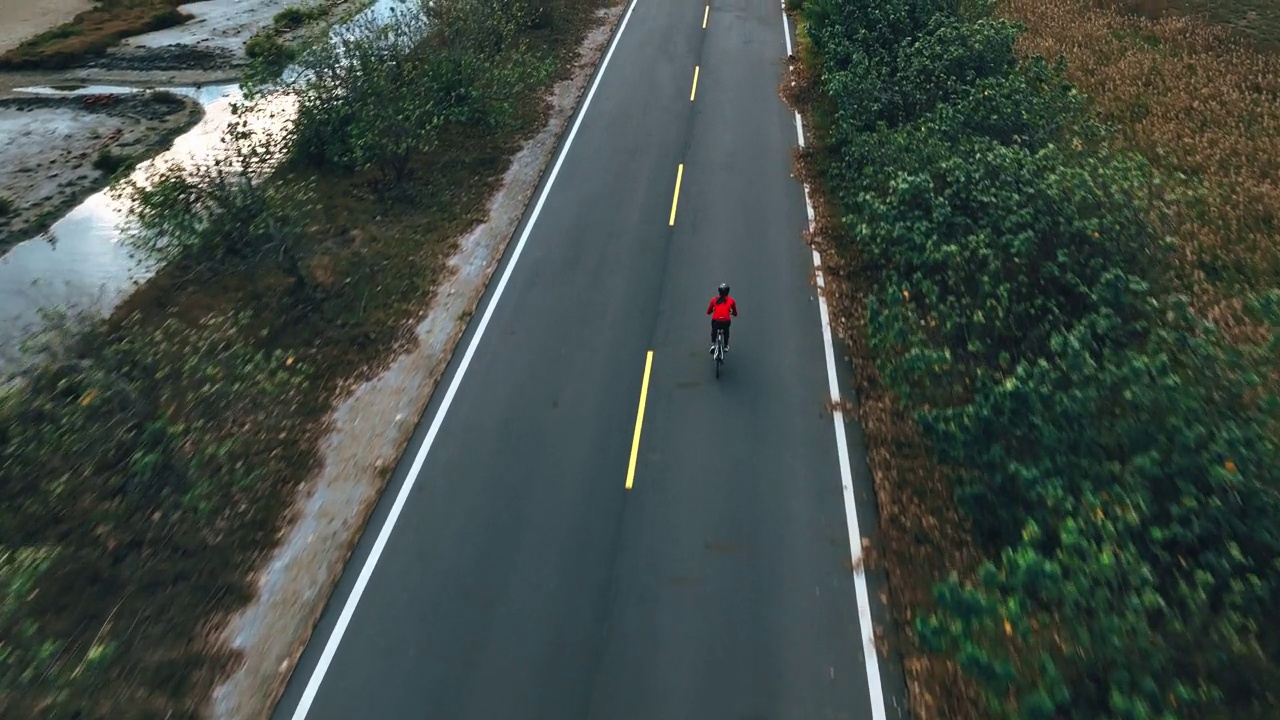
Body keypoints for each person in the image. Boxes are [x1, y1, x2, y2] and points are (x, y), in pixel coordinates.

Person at [706, 282, 738, 353]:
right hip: (726, 321)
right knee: (726, 331)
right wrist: (732, 313)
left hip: (716, 321)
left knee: (714, 329)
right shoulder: (731, 301)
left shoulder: (714, 300)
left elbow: (708, 312)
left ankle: (714, 344)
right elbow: (735, 313)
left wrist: (713, 311)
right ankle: (726, 345)